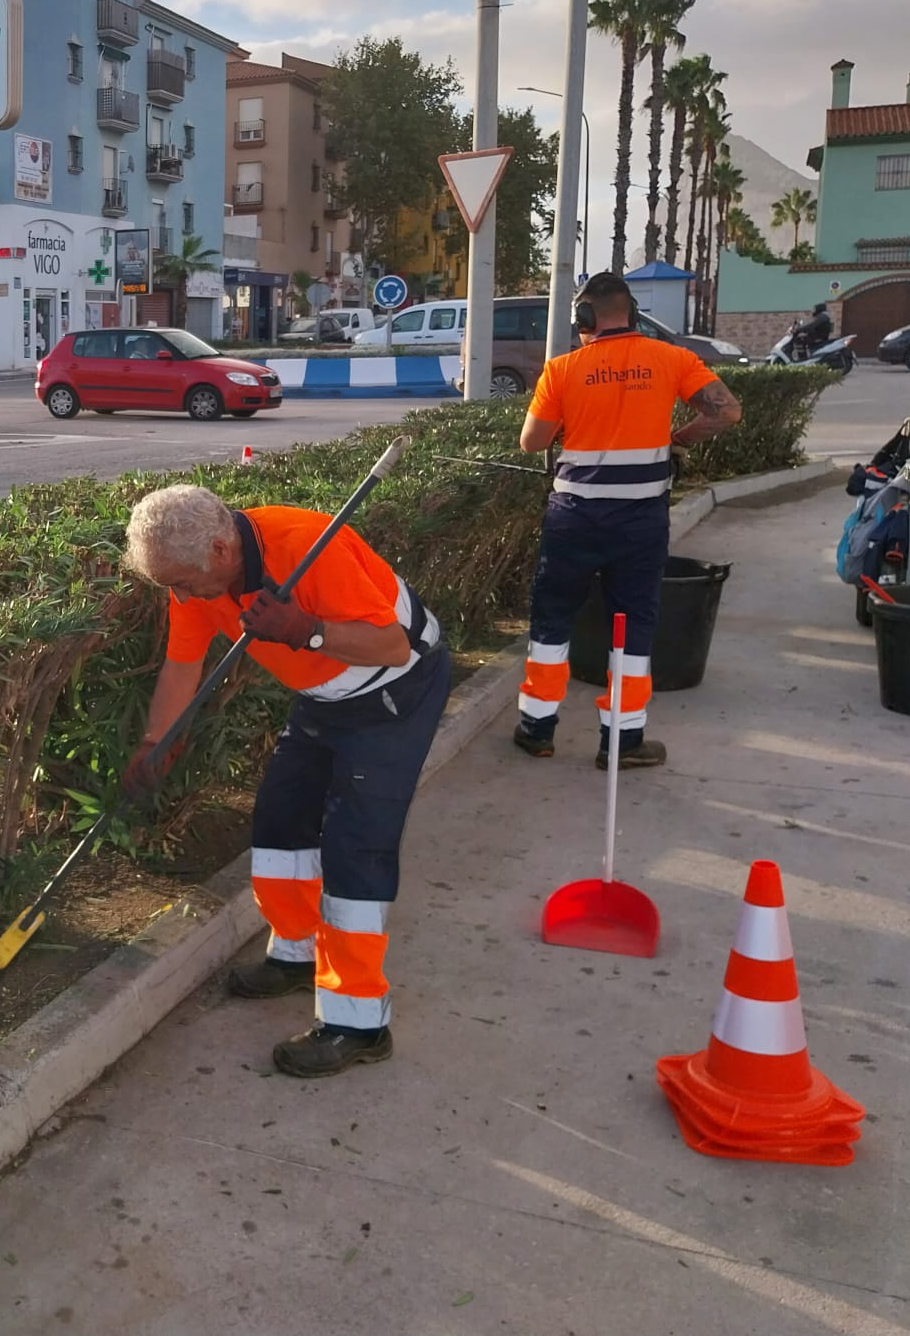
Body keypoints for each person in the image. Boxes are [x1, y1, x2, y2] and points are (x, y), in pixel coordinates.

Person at [122, 484, 448, 1078]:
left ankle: (358, 1023)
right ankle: (296, 954)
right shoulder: (194, 577)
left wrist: (306, 629)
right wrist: (155, 741)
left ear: (221, 549)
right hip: (321, 697)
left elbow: (393, 647)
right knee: (280, 823)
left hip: (391, 693)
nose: (179, 596)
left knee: (356, 849)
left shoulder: (307, 547)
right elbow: (182, 662)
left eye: (181, 582)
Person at [514, 272, 741, 768]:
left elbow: (531, 442)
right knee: (633, 626)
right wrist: (679, 439)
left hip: (573, 519)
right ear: (633, 313)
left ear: (585, 319)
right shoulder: (673, 359)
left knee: (552, 619)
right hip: (640, 522)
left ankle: (537, 730)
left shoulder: (563, 369)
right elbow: (727, 412)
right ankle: (623, 740)